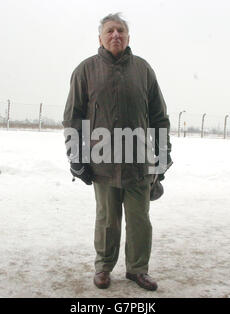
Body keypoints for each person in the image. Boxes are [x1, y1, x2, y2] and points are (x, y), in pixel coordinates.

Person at [63, 13, 172, 291]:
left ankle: (138, 269)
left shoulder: (144, 70)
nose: (116, 35)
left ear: (128, 37)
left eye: (120, 31)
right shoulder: (85, 70)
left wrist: (163, 152)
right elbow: (73, 118)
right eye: (110, 31)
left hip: (139, 163)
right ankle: (103, 267)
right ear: (100, 37)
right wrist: (76, 157)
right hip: (103, 163)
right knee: (107, 221)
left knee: (139, 220)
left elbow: (159, 116)